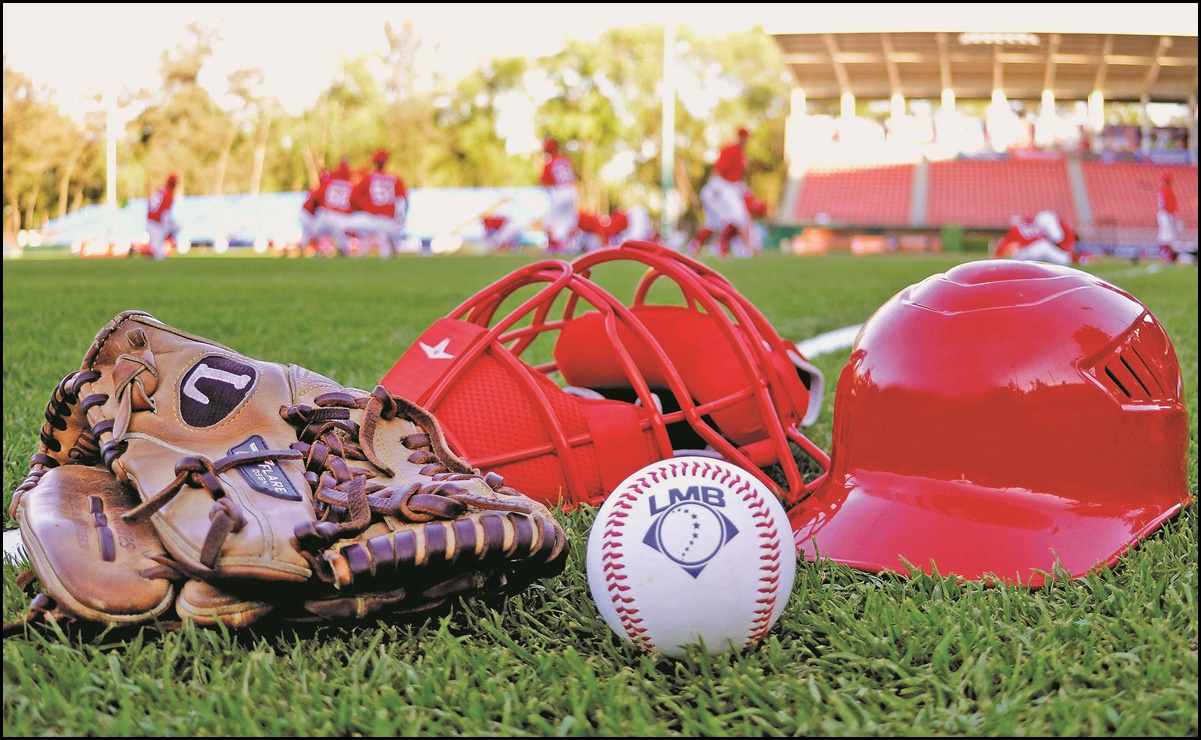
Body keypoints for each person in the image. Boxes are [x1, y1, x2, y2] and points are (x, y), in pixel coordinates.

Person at [689, 126, 753, 258]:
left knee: (713, 224)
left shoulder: (741, 153)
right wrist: (716, 186)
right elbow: (718, 170)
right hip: (719, 190)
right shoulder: (730, 150)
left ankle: (696, 246)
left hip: (724, 190)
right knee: (733, 219)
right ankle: (728, 248)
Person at [348, 148, 409, 258]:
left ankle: (357, 252)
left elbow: (352, 198)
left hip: (371, 219)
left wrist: (364, 208)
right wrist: (400, 219)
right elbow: (403, 202)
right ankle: (387, 247)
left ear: (375, 163)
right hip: (389, 222)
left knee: (346, 225)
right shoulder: (396, 179)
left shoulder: (368, 179)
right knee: (383, 236)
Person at [993, 210, 1082, 266]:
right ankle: (1070, 259)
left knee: (1044, 246)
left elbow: (1004, 244)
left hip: (1024, 253)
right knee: (1044, 246)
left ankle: (1069, 259)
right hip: (1022, 254)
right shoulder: (1024, 228)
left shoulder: (1018, 228)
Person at [539, 138, 579, 254]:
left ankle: (555, 245)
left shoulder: (549, 162)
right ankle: (571, 245)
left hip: (559, 191)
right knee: (568, 220)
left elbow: (545, 182)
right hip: (571, 190)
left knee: (552, 220)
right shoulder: (565, 159)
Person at [308, 158, 356, 256]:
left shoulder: (330, 180)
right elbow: (354, 203)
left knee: (314, 232)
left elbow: (318, 197)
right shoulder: (352, 184)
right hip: (341, 217)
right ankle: (341, 251)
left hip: (326, 213)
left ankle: (316, 251)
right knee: (343, 239)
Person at [145, 173, 180, 260]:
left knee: (158, 245)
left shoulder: (160, 190)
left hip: (151, 219)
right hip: (155, 222)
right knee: (158, 251)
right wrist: (167, 228)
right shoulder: (168, 194)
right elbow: (165, 214)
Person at [1157, 173, 1181, 263]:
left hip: (1163, 214)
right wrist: (1172, 214)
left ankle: (1166, 255)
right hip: (1166, 214)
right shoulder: (1167, 191)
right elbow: (1169, 205)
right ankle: (1165, 256)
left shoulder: (1164, 190)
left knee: (1166, 234)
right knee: (1167, 235)